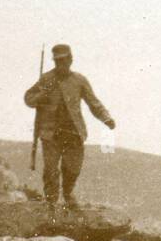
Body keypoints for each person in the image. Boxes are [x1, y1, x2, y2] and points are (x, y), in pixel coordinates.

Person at [23, 44, 115, 209]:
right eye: (58, 61)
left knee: (72, 168)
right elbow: (28, 97)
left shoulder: (79, 80)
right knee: (50, 170)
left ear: (70, 60)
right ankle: (51, 202)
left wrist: (106, 118)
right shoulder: (46, 79)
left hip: (73, 132)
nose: (61, 64)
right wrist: (40, 97)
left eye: (64, 60)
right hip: (50, 133)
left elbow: (94, 103)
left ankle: (68, 193)